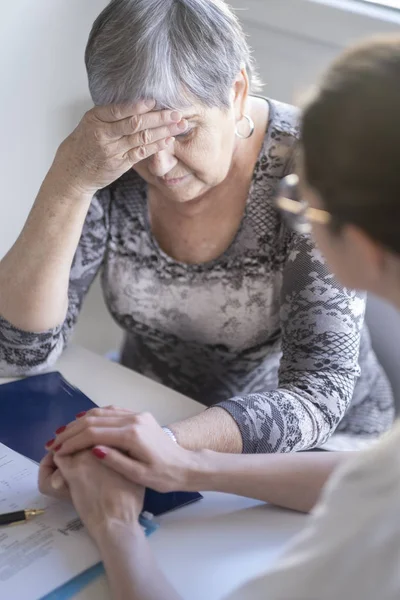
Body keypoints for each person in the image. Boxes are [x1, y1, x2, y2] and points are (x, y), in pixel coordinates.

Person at [40, 34, 400, 600]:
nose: (157, 164)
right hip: (181, 432)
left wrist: (116, 530)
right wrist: (184, 464)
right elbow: (372, 482)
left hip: (294, 456)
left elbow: (363, 477)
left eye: (303, 201)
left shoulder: (372, 539)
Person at [0, 0, 393, 456]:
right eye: (136, 134)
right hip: (151, 408)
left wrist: (163, 447)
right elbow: (19, 353)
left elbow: (317, 395)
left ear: (237, 92)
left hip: (315, 451)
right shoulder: (108, 157)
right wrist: (69, 181)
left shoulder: (310, 167)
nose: (159, 163)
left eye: (183, 131)